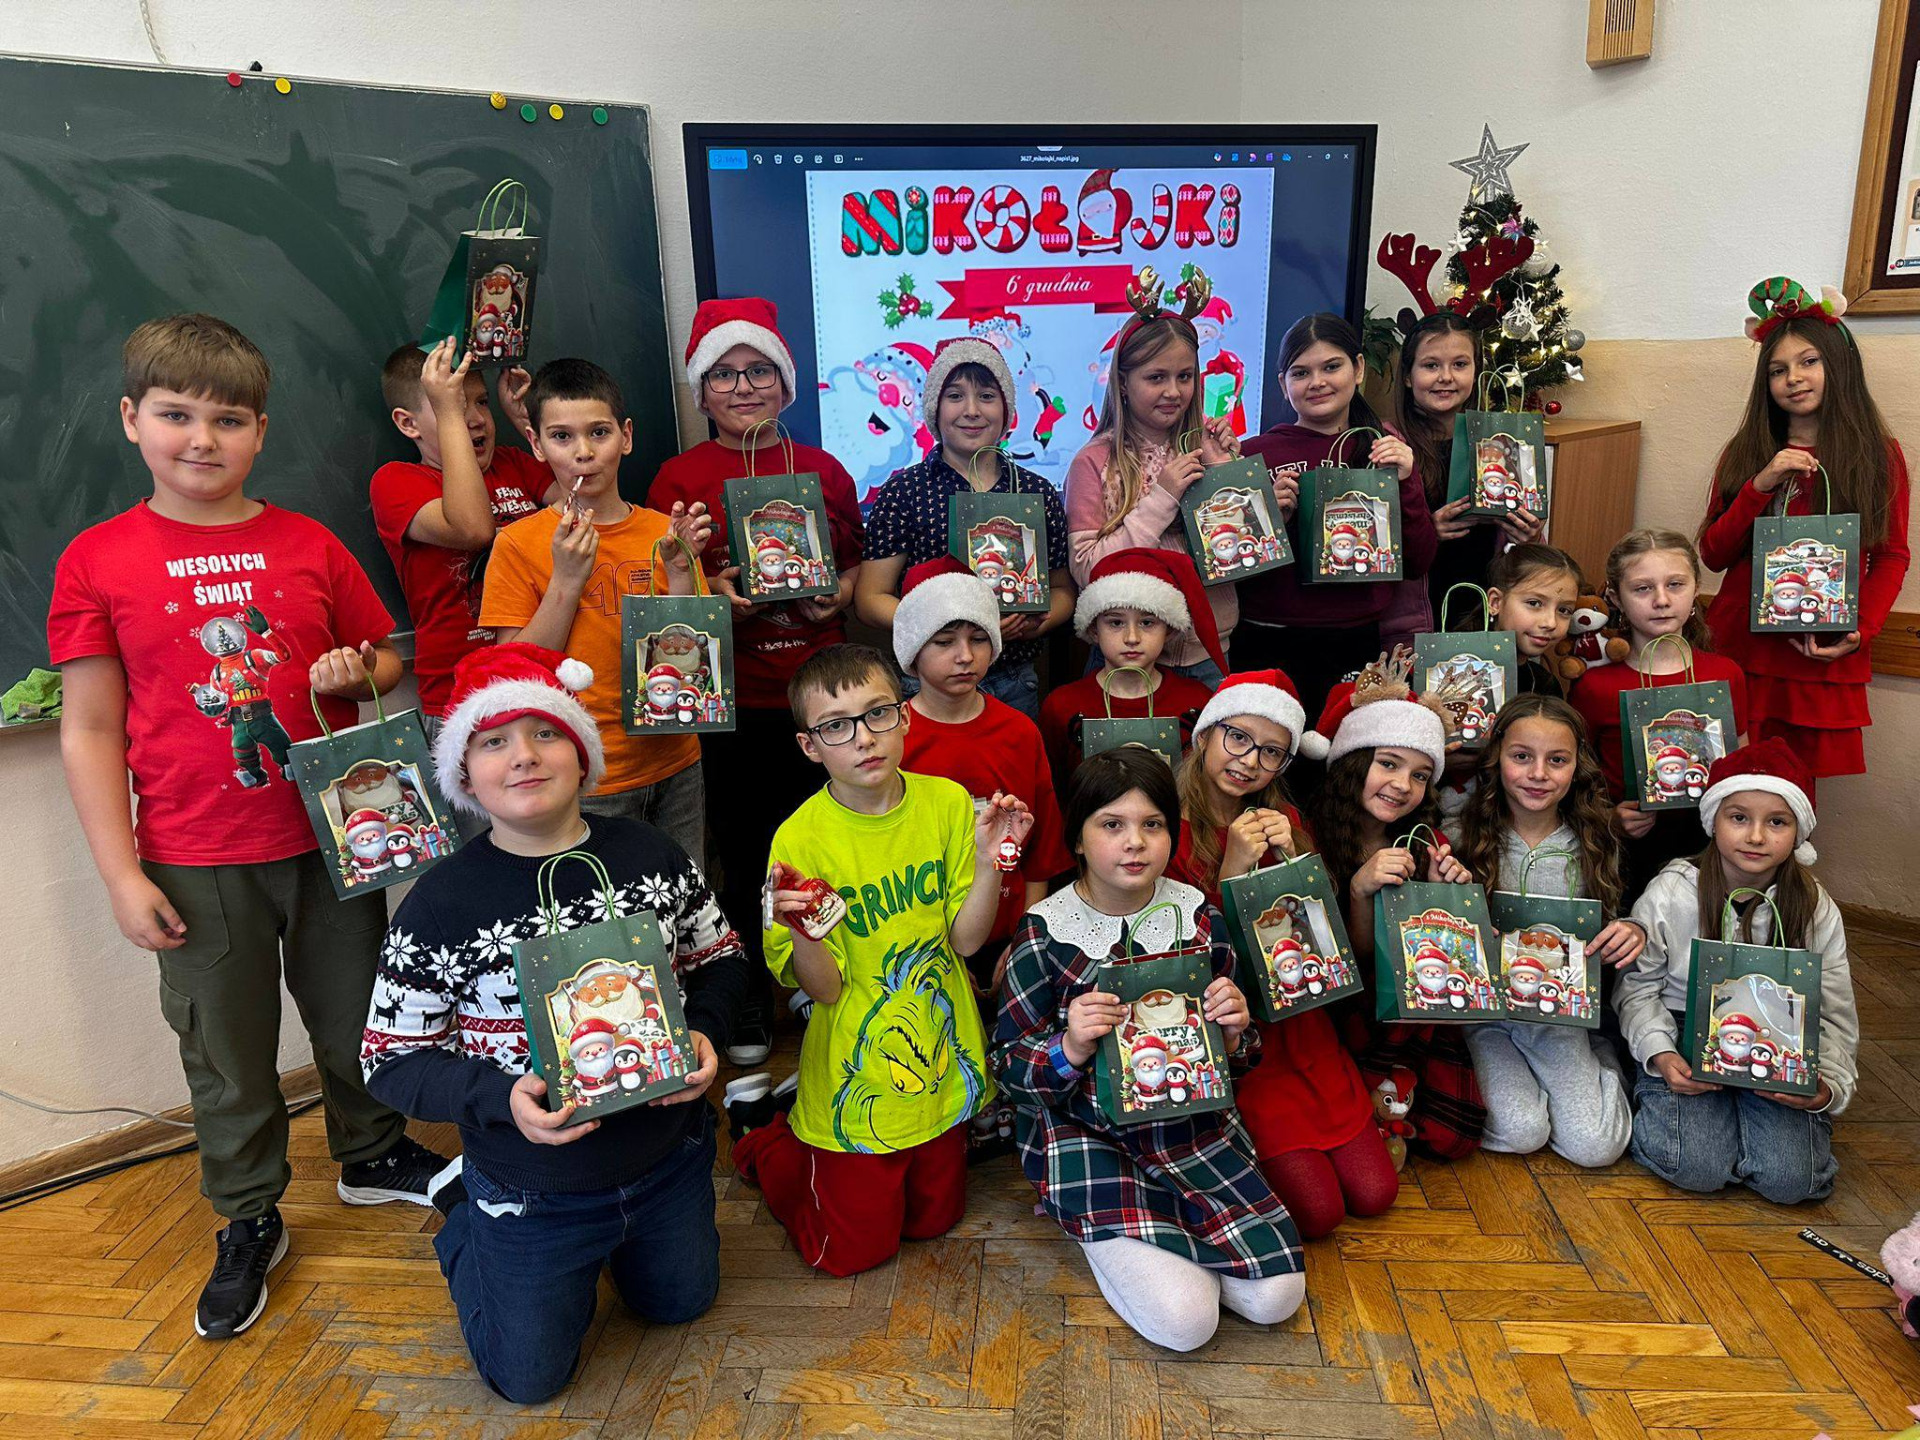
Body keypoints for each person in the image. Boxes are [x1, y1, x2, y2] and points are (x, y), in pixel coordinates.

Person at [48, 314, 446, 1340]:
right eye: (176, 415)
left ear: (260, 432)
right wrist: (121, 875)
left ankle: (371, 1152)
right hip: (194, 855)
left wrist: (360, 670)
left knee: (360, 1013)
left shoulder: (308, 543)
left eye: (228, 419)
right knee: (225, 1051)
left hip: (338, 833)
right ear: (132, 418)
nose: (201, 438)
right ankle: (249, 1210)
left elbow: (383, 659)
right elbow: (88, 728)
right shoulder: (97, 559)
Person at [360, 643, 749, 1405]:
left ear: (583, 753)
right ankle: (466, 1219)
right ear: (464, 775)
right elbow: (390, 1060)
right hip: (531, 1187)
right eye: (494, 741)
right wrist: (498, 1099)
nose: (524, 755)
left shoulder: (651, 854)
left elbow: (723, 958)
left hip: (668, 1159)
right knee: (528, 1381)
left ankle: (628, 1244)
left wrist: (703, 1029)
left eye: (546, 732)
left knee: (681, 1305)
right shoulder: (440, 904)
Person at [728, 645, 1026, 1275]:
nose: (864, 738)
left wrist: (987, 862)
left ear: (905, 716)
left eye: (878, 714)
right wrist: (804, 933)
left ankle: (791, 1124)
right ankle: (763, 1136)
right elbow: (825, 991)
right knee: (849, 1255)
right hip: (853, 1064)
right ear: (810, 746)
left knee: (934, 1222)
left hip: (938, 1055)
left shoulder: (947, 803)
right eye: (836, 726)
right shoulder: (799, 838)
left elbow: (966, 943)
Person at [995, 747, 1306, 1351]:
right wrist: (1069, 1045)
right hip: (1090, 1137)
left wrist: (1235, 1031)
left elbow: (1239, 1055)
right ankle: (1092, 1225)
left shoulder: (1198, 918)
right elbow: (1009, 1070)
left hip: (1192, 1132)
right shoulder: (1044, 932)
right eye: (1111, 824)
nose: (1134, 842)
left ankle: (1173, 1252)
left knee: (1278, 1299)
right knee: (1186, 1324)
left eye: (1153, 824)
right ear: (1078, 839)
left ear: (1171, 833)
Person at [649, 297, 867, 1065]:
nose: (743, 388)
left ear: (786, 382)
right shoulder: (678, 478)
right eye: (725, 375)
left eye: (760, 371)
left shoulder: (825, 471)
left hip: (822, 698)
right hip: (734, 702)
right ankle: (746, 992)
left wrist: (836, 595)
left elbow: (852, 567)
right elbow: (664, 592)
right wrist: (715, 595)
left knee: (829, 847)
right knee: (743, 855)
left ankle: (821, 980)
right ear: (702, 391)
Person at [1168, 671, 1397, 1238]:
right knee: (1319, 1215)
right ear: (1204, 735)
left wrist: (1296, 864)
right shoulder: (1168, 827)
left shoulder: (1287, 822)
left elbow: (1319, 938)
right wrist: (1232, 873)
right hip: (1241, 1039)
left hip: (1305, 1027)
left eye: (1271, 752)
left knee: (1375, 1194)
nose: (1250, 761)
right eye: (1238, 738)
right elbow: (1187, 959)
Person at [477, 358, 712, 864]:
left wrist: (679, 571)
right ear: (536, 444)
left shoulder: (661, 531)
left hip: (676, 761)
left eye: (599, 433)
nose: (583, 452)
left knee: (685, 892)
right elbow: (513, 673)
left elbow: (694, 655)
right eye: (562, 437)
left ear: (626, 436)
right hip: (585, 775)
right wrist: (565, 579)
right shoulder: (518, 544)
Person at [1616, 740, 1859, 1203]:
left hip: (1779, 1040)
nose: (1756, 837)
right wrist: (1661, 1054)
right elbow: (1638, 988)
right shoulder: (1672, 891)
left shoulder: (1815, 907)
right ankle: (1671, 1109)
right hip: (1681, 1028)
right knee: (1695, 1166)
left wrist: (1827, 1087)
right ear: (1713, 821)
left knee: (1793, 1181)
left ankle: (1751, 1134)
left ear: (1799, 832)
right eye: (1739, 817)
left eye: (1777, 822)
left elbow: (1833, 1011)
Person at [1698, 277, 1911, 786]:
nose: (1793, 378)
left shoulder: (1877, 455)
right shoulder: (1746, 453)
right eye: (1778, 370)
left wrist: (1859, 630)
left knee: (1791, 797)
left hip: (1816, 653)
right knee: (1724, 787)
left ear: (1838, 365)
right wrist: (1761, 484)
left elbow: (1891, 556)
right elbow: (1713, 553)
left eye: (1808, 361)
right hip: (1741, 648)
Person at [1301, 653, 1484, 1159]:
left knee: (1453, 1135)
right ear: (1353, 761)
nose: (1403, 785)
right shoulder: (1308, 838)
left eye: (1421, 775)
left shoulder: (1426, 843)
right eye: (1388, 764)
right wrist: (1359, 892)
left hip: (1409, 1013)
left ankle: (1391, 1093)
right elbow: (1349, 965)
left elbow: (1434, 966)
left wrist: (1448, 900)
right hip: (1339, 1009)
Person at [1451, 696, 1645, 1165]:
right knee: (1522, 1131)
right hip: (1485, 1019)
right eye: (1522, 756)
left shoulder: (1595, 840)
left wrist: (1629, 929)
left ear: (1577, 767)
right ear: (1497, 757)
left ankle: (1602, 1057)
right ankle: (1530, 1088)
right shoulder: (1459, 834)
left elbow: (1613, 920)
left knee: (1596, 1147)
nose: (1538, 774)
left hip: (1560, 1017)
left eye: (1557, 760)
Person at [856, 336, 1073, 718]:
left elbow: (1062, 591)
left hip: (1013, 680)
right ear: (934, 409)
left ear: (1007, 411)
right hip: (927, 684)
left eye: (987, 396)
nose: (971, 411)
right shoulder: (903, 492)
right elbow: (870, 599)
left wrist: (1037, 623)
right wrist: (940, 625)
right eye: (955, 396)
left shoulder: (1036, 493)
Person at [1237, 314, 1439, 718]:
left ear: (1358, 369)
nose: (1317, 382)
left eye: (1332, 366)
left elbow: (1418, 560)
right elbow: (1230, 565)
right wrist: (1267, 520)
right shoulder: (1253, 455)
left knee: (1344, 748)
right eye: (1301, 373)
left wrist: (1406, 481)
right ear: (1283, 384)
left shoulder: (1382, 450)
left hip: (1355, 639)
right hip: (1266, 637)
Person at [893, 556, 1071, 977]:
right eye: (944, 642)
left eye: (978, 639)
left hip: (1007, 933)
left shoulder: (1020, 732)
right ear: (913, 650)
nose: (965, 656)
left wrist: (1023, 942)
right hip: (914, 943)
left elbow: (1041, 852)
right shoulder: (890, 738)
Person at [1064, 289, 1241, 688]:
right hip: (1123, 658)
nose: (1173, 392)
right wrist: (1162, 498)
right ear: (1123, 383)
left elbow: (1236, 554)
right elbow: (1088, 569)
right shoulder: (1092, 462)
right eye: (1156, 377)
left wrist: (1226, 472)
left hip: (1209, 651)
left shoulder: (1207, 447)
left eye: (1185, 377)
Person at [370, 338, 548, 733]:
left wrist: (527, 423)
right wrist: (451, 414)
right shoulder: (397, 482)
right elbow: (473, 529)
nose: (475, 418)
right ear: (408, 423)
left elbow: (584, 505)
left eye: (482, 401)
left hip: (540, 674)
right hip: (463, 699)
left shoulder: (513, 463)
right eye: (451, 404)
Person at [1568, 529, 1749, 902]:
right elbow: (1575, 778)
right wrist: (1610, 818)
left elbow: (1744, 766)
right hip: (1628, 853)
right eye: (1643, 589)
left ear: (1696, 588)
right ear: (1615, 597)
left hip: (1712, 849)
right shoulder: (1595, 687)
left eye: (1675, 585)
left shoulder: (1724, 673)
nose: (1662, 600)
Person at [1390, 311, 1545, 633]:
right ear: (1407, 375)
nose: (1446, 377)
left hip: (1484, 615)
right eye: (1431, 365)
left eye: (1460, 364)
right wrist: (1426, 533)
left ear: (1476, 371)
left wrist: (1529, 536)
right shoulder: (1389, 448)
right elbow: (1373, 547)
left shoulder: (1500, 443)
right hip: (1414, 619)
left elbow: (1524, 554)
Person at [1039, 548, 1222, 783]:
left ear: (1169, 629)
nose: (1132, 638)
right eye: (1116, 623)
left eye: (1147, 622)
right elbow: (1053, 788)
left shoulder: (1196, 701)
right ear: (1093, 629)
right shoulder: (1062, 705)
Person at [1484, 543, 1583, 696]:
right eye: (1534, 603)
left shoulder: (1546, 685)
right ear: (1495, 603)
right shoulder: (1455, 668)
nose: (1551, 623)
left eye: (1564, 610)